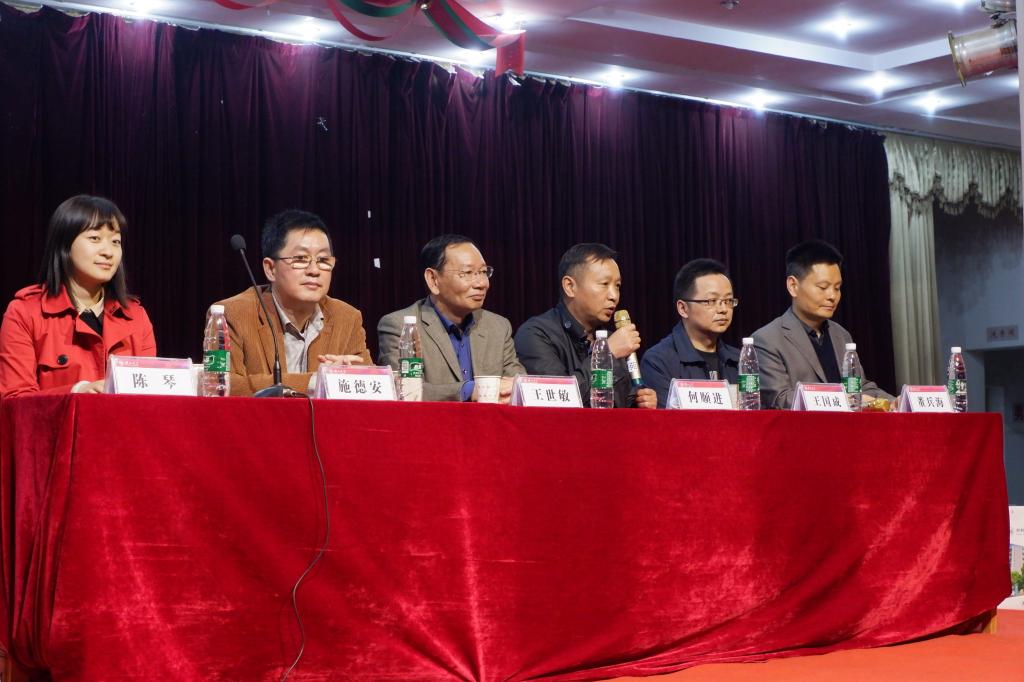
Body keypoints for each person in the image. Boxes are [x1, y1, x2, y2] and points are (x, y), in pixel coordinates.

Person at [0, 195, 157, 396]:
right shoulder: (25, 313)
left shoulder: (136, 317)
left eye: (115, 241)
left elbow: (149, 396)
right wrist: (77, 392)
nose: (108, 252)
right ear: (65, 244)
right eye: (95, 238)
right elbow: (15, 399)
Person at [215, 209, 370, 396]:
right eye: (300, 259)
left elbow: (372, 386)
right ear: (270, 269)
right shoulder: (232, 314)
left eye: (323, 260)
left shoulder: (347, 318)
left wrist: (348, 377)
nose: (314, 270)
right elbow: (221, 384)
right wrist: (313, 382)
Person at [377, 234, 524, 402]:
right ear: (433, 279)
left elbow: (517, 384)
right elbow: (402, 389)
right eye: (467, 273)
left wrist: (513, 391)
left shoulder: (498, 327)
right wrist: (470, 390)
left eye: (483, 272)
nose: (482, 283)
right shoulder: (400, 326)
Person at [752, 239, 893, 410]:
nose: (832, 296)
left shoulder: (841, 335)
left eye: (837, 288)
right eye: (823, 287)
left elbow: (859, 387)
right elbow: (781, 399)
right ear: (793, 286)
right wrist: (847, 400)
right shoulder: (767, 340)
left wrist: (894, 402)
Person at [514, 243, 657, 409]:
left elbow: (619, 404)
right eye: (604, 284)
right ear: (570, 286)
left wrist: (640, 402)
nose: (614, 296)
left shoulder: (612, 339)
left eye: (617, 286)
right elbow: (558, 401)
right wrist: (606, 355)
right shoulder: (536, 334)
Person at [641, 258, 740, 408]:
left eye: (728, 301)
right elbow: (665, 419)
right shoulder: (659, 361)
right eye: (711, 301)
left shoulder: (739, 360)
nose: (723, 309)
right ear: (683, 308)